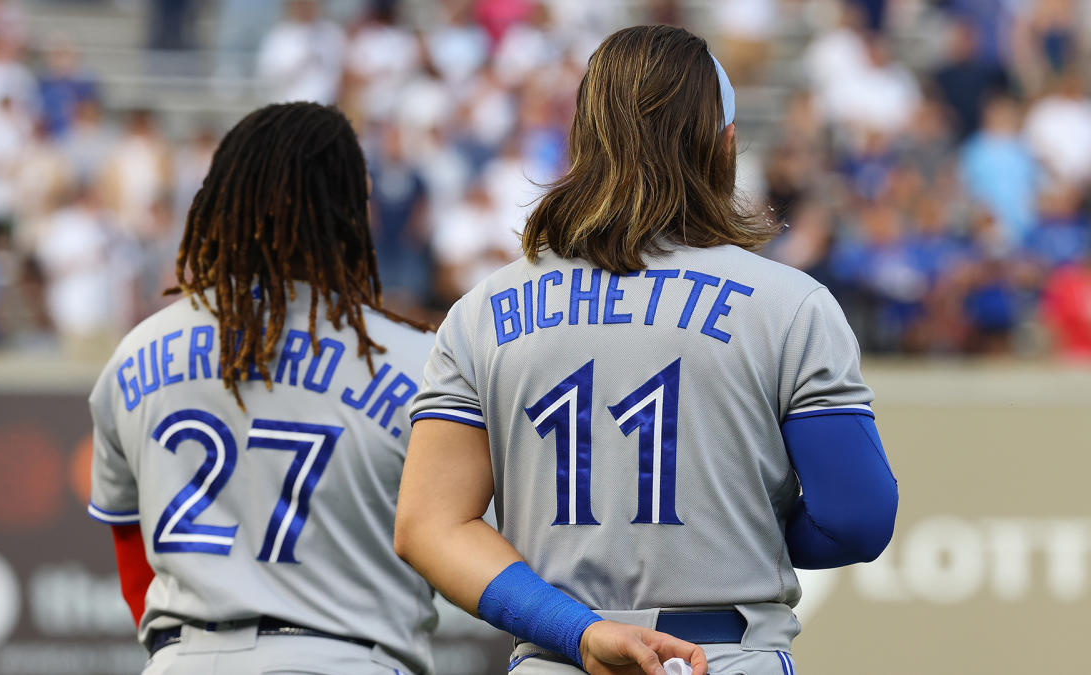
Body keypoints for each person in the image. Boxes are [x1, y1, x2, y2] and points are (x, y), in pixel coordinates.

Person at [394, 25, 899, 675]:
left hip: (560, 656)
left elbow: (429, 526)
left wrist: (576, 629)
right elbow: (859, 517)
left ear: (584, 141)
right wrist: (742, 524)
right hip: (725, 652)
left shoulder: (482, 311)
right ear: (724, 144)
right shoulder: (790, 303)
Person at [87, 102, 438, 674]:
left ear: (221, 196)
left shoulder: (136, 352)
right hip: (346, 656)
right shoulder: (416, 360)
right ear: (349, 211)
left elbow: (132, 553)